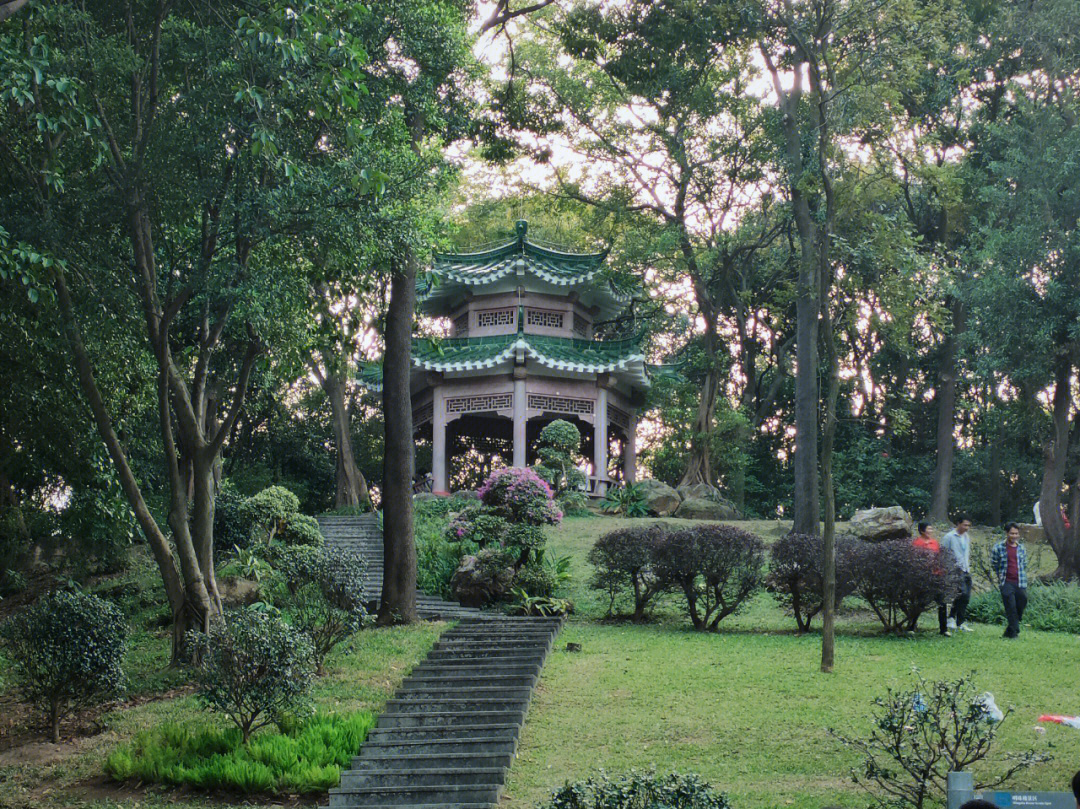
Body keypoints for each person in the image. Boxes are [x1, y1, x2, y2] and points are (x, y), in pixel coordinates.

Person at [990, 522, 1028, 639]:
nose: (1014, 535)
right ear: (1007, 533)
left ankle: (1010, 630)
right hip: (1006, 582)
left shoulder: (1021, 548)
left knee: (1022, 602)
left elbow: (1024, 564)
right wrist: (1000, 575)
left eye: (1016, 533)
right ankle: (1014, 632)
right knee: (1010, 607)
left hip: (1020, 582)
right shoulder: (998, 548)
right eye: (1012, 533)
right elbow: (994, 563)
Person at [913, 522, 950, 636]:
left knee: (941, 602)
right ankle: (911, 626)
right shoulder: (917, 543)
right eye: (929, 529)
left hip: (936, 576)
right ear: (923, 531)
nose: (931, 531)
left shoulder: (935, 543)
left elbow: (939, 557)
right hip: (924, 577)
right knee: (920, 602)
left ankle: (943, 629)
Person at [941, 516, 974, 632]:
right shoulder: (949, 537)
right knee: (961, 593)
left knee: (966, 597)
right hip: (955, 569)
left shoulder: (966, 537)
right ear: (958, 524)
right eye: (965, 525)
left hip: (965, 569)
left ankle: (960, 621)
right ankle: (951, 617)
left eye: (969, 526)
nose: (967, 528)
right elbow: (943, 553)